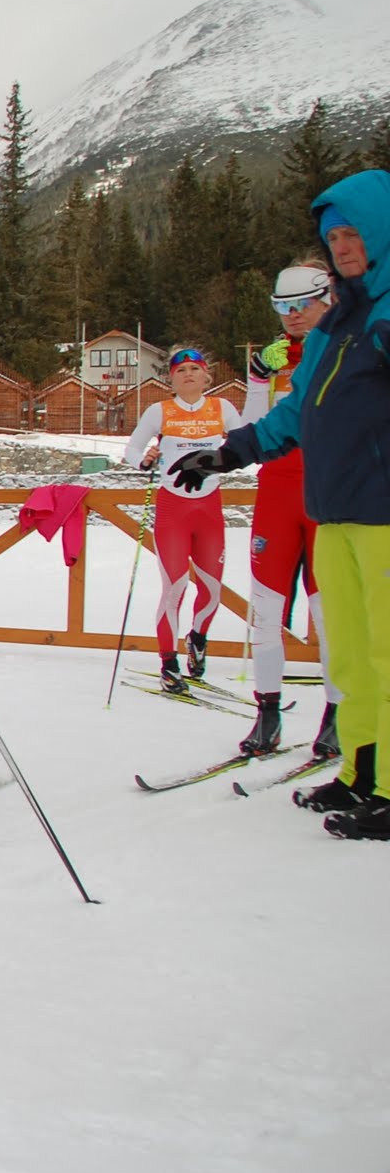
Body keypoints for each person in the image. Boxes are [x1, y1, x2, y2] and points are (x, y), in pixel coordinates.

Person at [176, 169, 390, 838]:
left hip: (383, 513)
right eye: (334, 240)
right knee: (350, 655)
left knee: (387, 654)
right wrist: (231, 451)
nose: (345, 248)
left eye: (355, 234)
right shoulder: (337, 326)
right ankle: (360, 771)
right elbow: (299, 414)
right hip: (335, 510)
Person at [237, 262, 342, 758]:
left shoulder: (348, 349)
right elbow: (255, 430)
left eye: (302, 305)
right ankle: (268, 714)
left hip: (328, 495)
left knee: (330, 613)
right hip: (276, 493)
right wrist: (259, 379)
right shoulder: (276, 356)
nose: (293, 317)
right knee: (265, 613)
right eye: (283, 307)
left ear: (329, 298)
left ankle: (338, 713)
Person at [124, 347, 242, 694]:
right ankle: (169, 662)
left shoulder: (223, 408)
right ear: (171, 379)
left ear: (207, 376)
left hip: (209, 509)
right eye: (180, 370)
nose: (188, 374)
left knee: (212, 590)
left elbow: (246, 445)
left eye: (195, 369)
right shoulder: (159, 411)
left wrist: (225, 458)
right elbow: (132, 451)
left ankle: (198, 637)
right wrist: (144, 460)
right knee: (174, 587)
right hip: (173, 509)